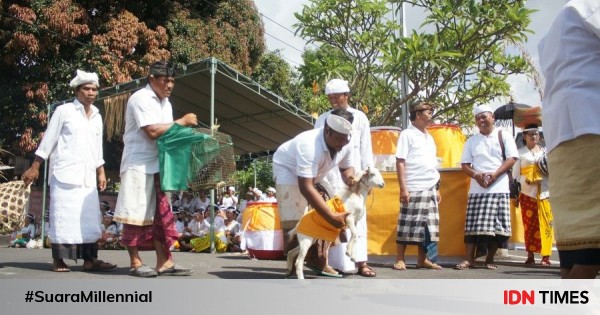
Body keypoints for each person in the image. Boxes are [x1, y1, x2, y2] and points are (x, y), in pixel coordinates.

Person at [21, 70, 116, 272]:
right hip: (64, 176)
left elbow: (97, 148)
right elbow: (48, 141)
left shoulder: (98, 116)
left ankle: (90, 260)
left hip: (87, 177)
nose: (91, 92)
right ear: (77, 90)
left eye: (94, 89)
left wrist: (101, 172)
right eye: (86, 89)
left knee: (89, 219)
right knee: (64, 218)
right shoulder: (63, 111)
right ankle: (59, 260)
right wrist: (35, 166)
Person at [113, 61, 197, 277]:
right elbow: (152, 131)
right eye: (165, 80)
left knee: (162, 214)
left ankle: (165, 262)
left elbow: (168, 134)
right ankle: (135, 262)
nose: (169, 85)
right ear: (152, 79)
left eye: (172, 81)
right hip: (137, 164)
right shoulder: (140, 98)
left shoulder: (166, 103)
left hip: (159, 164)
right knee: (135, 214)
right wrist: (182, 122)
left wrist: (188, 138)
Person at [538, 0, 600, 278]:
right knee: (589, 256)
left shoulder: (552, 30)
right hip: (591, 125)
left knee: (576, 255)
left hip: (562, 136)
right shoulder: (590, 6)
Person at [273, 108, 355, 277]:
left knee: (335, 205)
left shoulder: (346, 142)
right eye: (338, 139)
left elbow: (346, 168)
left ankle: (319, 260)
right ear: (327, 130)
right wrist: (331, 217)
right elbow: (305, 187)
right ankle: (295, 263)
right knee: (296, 216)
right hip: (288, 170)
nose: (342, 143)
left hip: (315, 174)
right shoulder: (309, 144)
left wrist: (352, 181)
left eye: (345, 139)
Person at [314, 79, 376, 277]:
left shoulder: (360, 117)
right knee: (333, 216)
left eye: (336, 97)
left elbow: (366, 149)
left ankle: (361, 262)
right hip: (330, 176)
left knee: (358, 218)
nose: (333, 101)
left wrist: (369, 176)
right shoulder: (322, 118)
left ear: (346, 96)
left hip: (354, 176)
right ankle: (337, 264)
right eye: (330, 97)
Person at [454, 105, 518, 270]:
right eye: (477, 118)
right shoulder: (471, 141)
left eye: (484, 117)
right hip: (477, 189)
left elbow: (511, 158)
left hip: (499, 187)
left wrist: (495, 175)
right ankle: (469, 259)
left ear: (493, 118)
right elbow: (465, 165)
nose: (481, 121)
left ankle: (490, 259)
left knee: (498, 228)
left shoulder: (504, 135)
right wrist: (477, 176)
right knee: (473, 228)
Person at [393, 102, 442, 271]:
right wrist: (403, 188)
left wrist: (437, 187)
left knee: (429, 226)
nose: (431, 114)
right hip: (413, 185)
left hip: (430, 186)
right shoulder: (407, 134)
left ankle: (423, 259)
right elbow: (400, 161)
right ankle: (400, 259)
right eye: (429, 111)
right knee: (406, 223)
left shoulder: (430, 137)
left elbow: (433, 165)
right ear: (418, 114)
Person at [512, 125, 553, 266]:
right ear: (524, 136)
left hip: (545, 192)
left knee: (547, 225)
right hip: (527, 193)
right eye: (530, 134)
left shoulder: (546, 152)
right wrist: (515, 196)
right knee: (530, 225)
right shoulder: (520, 153)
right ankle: (530, 255)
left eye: (535, 134)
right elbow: (515, 176)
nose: (533, 136)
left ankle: (546, 256)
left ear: (539, 136)